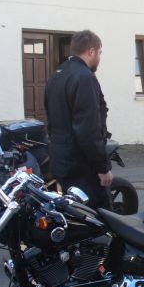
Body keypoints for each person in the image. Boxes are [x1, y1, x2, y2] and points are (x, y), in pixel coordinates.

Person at [44, 30, 112, 209]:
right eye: (99, 53)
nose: (99, 58)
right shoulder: (84, 77)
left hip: (60, 161)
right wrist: (102, 168)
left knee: (71, 215)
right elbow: (88, 129)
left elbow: (51, 119)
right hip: (81, 167)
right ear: (91, 51)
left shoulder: (57, 74)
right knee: (100, 216)